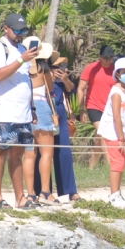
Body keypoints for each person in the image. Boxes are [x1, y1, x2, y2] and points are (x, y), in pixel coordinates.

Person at [0, 12, 38, 209]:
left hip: (23, 113)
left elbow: (27, 81)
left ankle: (21, 198)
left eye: (23, 30)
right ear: (6, 28)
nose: (20, 34)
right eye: (17, 30)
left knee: (18, 154)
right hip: (4, 111)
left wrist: (32, 108)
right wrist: (22, 60)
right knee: (1, 152)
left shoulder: (23, 49)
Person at [97, 56, 125, 204]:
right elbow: (117, 117)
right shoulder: (116, 93)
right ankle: (113, 195)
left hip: (122, 133)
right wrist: (120, 138)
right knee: (117, 162)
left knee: (122, 163)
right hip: (113, 133)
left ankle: (118, 193)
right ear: (118, 74)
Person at [46, 55, 80, 203]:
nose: (60, 70)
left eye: (61, 67)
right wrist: (49, 77)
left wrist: (65, 79)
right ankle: (45, 191)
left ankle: (70, 191)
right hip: (46, 112)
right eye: (56, 67)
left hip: (60, 113)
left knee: (64, 152)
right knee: (44, 154)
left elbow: (71, 90)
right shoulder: (42, 75)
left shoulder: (62, 79)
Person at [79, 46, 119, 169]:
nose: (108, 60)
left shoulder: (116, 70)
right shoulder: (91, 68)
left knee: (98, 139)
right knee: (102, 134)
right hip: (94, 106)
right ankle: (112, 166)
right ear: (99, 56)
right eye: (105, 58)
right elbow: (80, 88)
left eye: (110, 58)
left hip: (110, 108)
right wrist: (81, 110)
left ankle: (91, 167)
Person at [30, 46, 60, 203]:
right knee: (47, 153)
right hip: (40, 106)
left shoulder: (24, 68)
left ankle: (30, 193)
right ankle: (45, 192)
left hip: (25, 107)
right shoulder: (43, 69)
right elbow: (50, 88)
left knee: (30, 154)